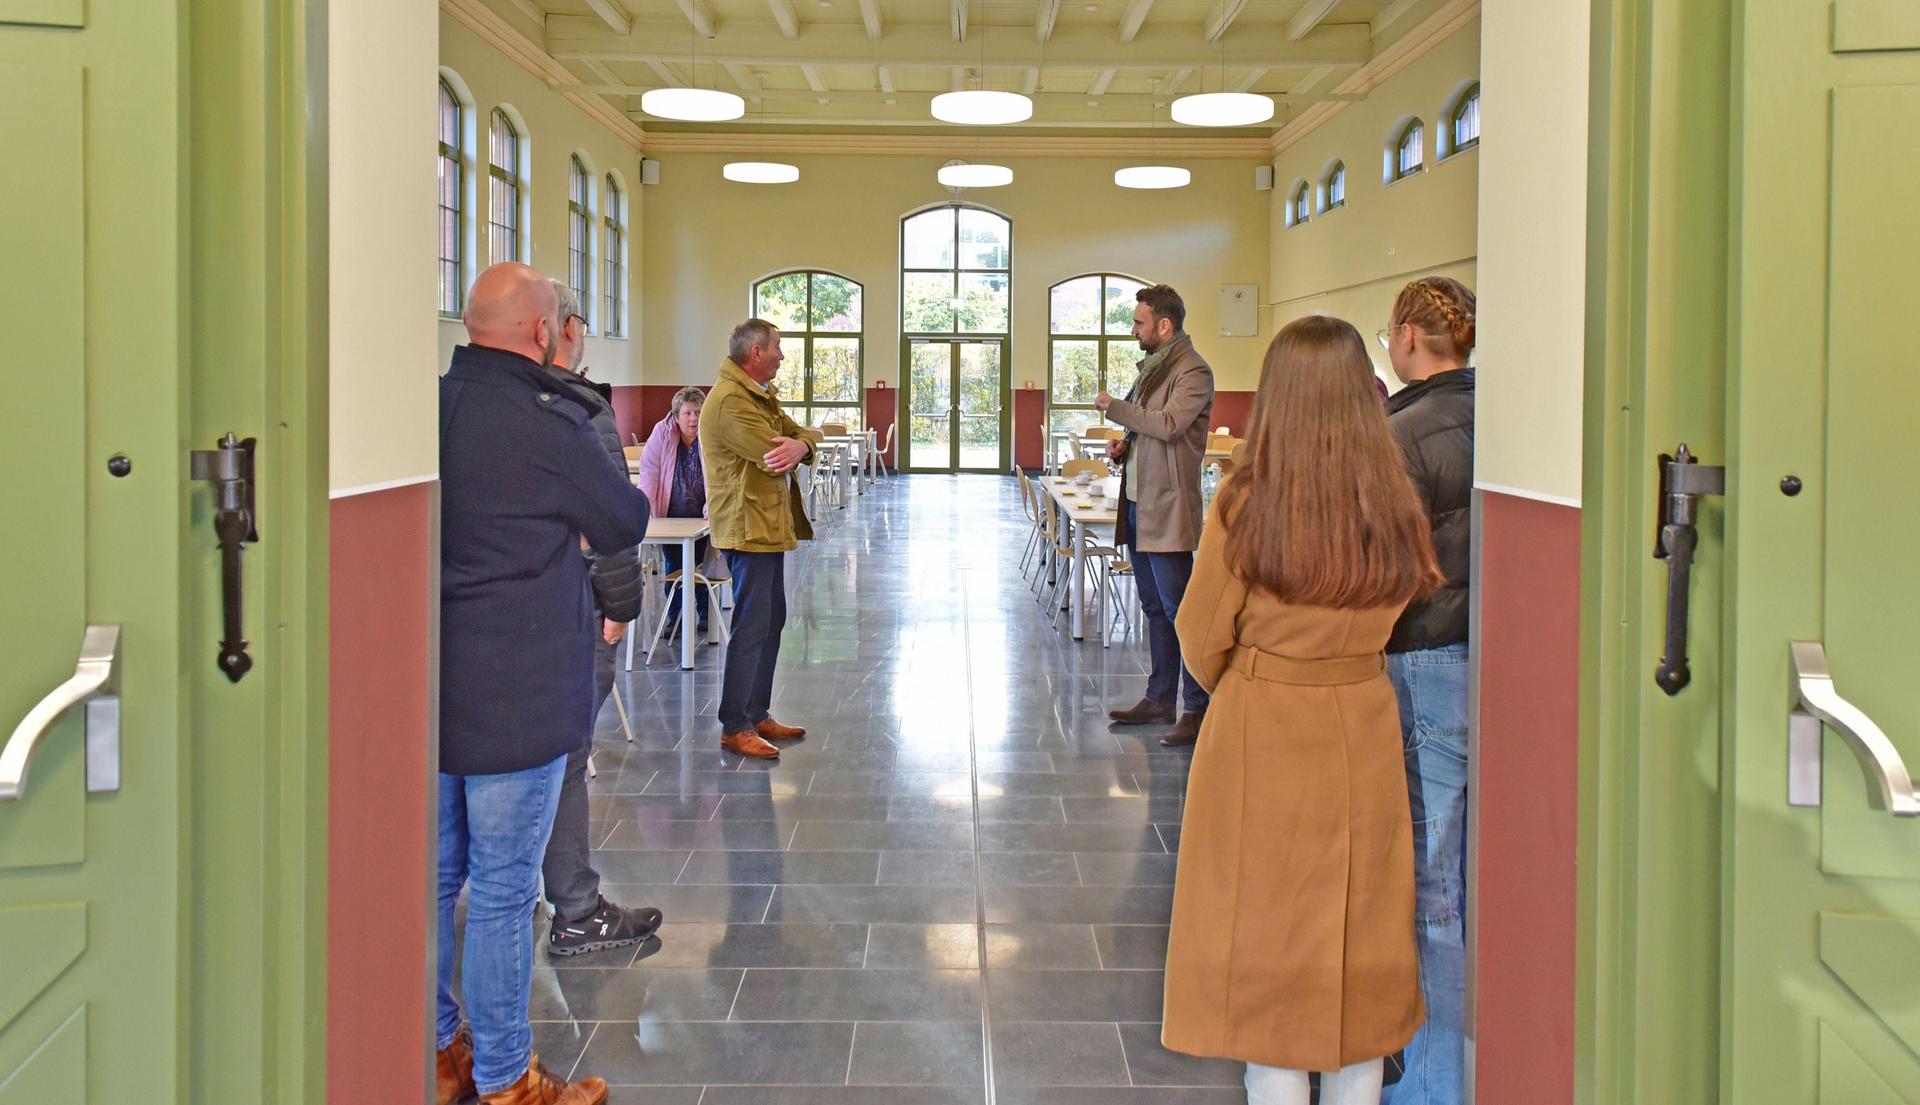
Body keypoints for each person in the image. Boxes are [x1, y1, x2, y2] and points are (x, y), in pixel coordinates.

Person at [1162, 315, 1443, 1105]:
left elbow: (1199, 632)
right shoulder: (1392, 497)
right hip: (1362, 719)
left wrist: (1256, 677)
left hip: (1262, 723)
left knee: (1264, 950)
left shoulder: (1248, 501)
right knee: (1362, 941)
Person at [436, 262, 649, 1105]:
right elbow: (624, 519)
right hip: (519, 685)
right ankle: (505, 1078)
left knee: (438, 878)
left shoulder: (432, 405)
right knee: (502, 888)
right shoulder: (550, 418)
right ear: (540, 333)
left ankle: (441, 1049)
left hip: (433, 683)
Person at [536, 281, 664, 959]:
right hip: (574, 615)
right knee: (566, 757)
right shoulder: (582, 413)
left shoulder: (453, 403)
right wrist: (619, 606)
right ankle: (576, 906)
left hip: (493, 626)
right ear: (560, 329)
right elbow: (617, 519)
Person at [1376, 276, 1476, 1105]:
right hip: (1494, 661)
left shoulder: (1403, 432)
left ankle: (1430, 1083)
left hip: (1425, 661)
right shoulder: (1506, 412)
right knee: (1474, 869)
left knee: (1432, 883)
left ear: (1410, 335)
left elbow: (1386, 566)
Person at [1095, 283, 1216, 747]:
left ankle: (1195, 707)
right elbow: (1149, 428)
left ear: (1164, 325)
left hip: (1166, 506)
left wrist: (1115, 408)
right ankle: (1159, 696)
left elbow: (1168, 425)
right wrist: (1126, 445)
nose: (1134, 331)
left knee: (1179, 610)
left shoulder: (1193, 371)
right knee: (1152, 607)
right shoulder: (1154, 369)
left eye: (1139, 322)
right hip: (1138, 504)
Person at [700, 319, 818, 760]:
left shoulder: (756, 395)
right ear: (755, 353)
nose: (782, 355)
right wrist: (795, 447)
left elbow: (799, 435)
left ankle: (757, 711)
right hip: (747, 528)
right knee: (751, 625)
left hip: (765, 526)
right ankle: (735, 725)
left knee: (771, 620)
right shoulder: (731, 401)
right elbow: (774, 454)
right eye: (778, 348)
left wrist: (803, 445)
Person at [638, 385, 713, 631]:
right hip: (671, 513)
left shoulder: (711, 434)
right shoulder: (662, 433)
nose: (693, 419)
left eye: (698, 413)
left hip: (703, 514)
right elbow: (649, 472)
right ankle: (676, 618)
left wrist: (711, 506)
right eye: (688, 413)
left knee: (703, 565)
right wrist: (644, 506)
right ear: (676, 415)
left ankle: (705, 615)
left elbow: (719, 474)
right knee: (675, 567)